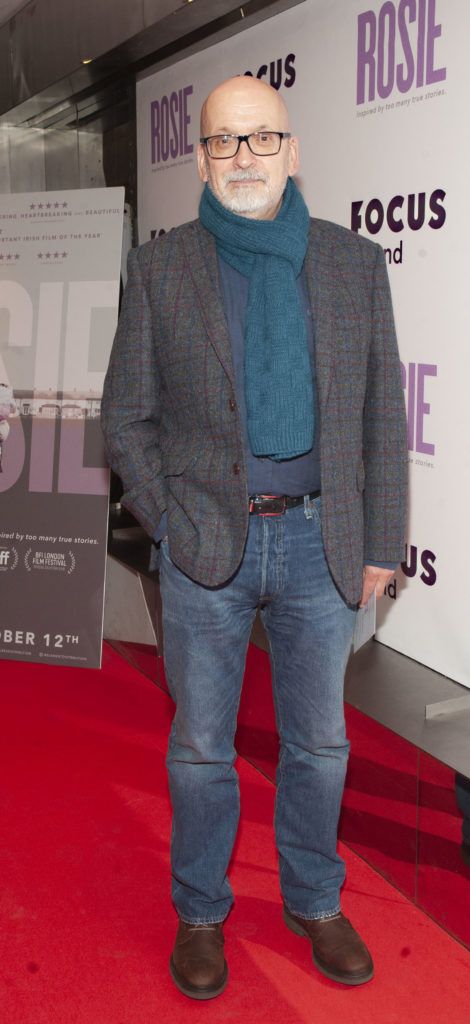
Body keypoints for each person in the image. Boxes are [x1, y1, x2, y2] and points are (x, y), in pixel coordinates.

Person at [101, 75, 408, 999]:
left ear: (293, 151)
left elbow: (381, 417)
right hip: (207, 552)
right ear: (198, 158)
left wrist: (382, 542)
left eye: (261, 139)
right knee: (201, 745)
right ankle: (200, 910)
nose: (243, 157)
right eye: (224, 142)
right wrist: (174, 517)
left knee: (321, 744)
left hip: (324, 544)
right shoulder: (162, 269)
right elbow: (125, 420)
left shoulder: (354, 265)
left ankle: (315, 899)